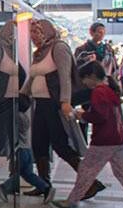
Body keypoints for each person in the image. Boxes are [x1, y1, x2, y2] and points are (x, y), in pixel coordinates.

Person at [51, 63, 123, 208]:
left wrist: (81, 115)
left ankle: (72, 201)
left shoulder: (98, 92)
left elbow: (100, 116)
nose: (84, 83)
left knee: (86, 169)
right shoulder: (109, 89)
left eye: (84, 79)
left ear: (91, 77)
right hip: (118, 137)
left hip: (104, 139)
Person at [0, 24, 52, 199]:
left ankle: (15, 184)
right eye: (10, 33)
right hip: (3, 106)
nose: (13, 37)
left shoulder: (14, 53)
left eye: (15, 34)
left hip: (17, 106)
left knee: (17, 146)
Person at [27, 18, 94, 195]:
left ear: (46, 31)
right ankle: (44, 185)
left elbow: (65, 77)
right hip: (40, 104)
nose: (33, 36)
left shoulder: (59, 48)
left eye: (37, 32)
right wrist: (22, 93)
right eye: (32, 33)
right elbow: (33, 77)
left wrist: (65, 101)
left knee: (61, 145)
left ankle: (90, 183)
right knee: (38, 144)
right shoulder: (39, 52)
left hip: (53, 104)